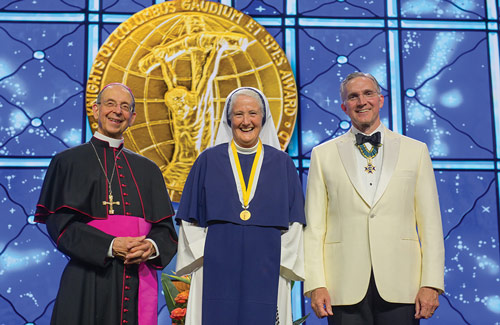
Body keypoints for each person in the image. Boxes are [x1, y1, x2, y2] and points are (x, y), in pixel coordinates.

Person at [303, 72, 445, 324]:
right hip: (342, 286)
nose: (362, 102)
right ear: (344, 106)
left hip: (403, 284)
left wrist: (431, 284)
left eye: (368, 94)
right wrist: (316, 284)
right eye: (353, 96)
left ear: (380, 100)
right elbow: (314, 228)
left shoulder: (416, 151)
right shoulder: (322, 155)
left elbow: (431, 225)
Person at [35, 83, 178, 325]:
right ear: (95, 109)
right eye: (110, 104)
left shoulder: (149, 170)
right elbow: (60, 227)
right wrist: (111, 245)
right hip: (87, 280)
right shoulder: (67, 162)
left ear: (132, 118)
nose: (117, 111)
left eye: (125, 107)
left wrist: (151, 247)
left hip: (138, 277)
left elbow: (167, 231)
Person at [175, 87, 306, 325]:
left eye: (253, 113)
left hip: (269, 268)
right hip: (214, 267)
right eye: (239, 114)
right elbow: (189, 219)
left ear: (263, 118)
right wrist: (210, 254)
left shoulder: (282, 163)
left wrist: (279, 259)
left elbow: (294, 222)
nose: (246, 121)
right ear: (229, 119)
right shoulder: (207, 160)